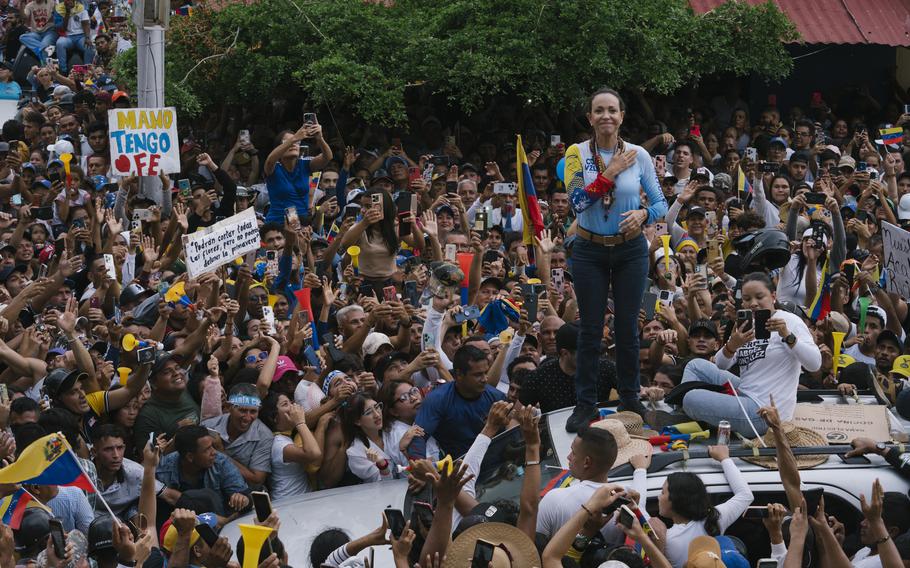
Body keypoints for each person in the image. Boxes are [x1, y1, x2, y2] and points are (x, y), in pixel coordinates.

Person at [563, 87, 668, 430]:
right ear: (590, 117)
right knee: (590, 329)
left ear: (622, 116)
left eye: (612, 110)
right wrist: (610, 172)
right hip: (590, 249)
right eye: (599, 110)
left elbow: (660, 203)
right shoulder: (576, 154)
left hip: (630, 249)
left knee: (627, 328)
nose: (606, 116)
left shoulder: (638, 155)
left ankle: (629, 397)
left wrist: (644, 214)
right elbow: (577, 202)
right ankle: (585, 403)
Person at [681, 272, 821, 435]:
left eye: (759, 297)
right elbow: (720, 365)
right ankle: (690, 411)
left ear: (773, 296)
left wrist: (787, 336)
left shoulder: (790, 321)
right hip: (745, 393)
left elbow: (815, 364)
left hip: (764, 414)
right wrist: (732, 345)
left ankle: (686, 414)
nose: (753, 303)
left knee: (691, 398)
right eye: (747, 299)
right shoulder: (747, 325)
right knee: (695, 365)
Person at [654, 445, 753, 567]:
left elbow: (636, 521)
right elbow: (745, 495)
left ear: (675, 500)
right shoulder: (714, 519)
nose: (658, 497)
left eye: (663, 492)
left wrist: (640, 471)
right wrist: (724, 458)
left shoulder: (666, 539)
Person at [407, 345, 505, 459]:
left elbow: (513, 426)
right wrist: (421, 465)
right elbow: (417, 437)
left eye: (485, 373)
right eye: (478, 375)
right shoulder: (437, 400)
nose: (485, 379)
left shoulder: (496, 397)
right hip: (457, 468)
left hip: (496, 462)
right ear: (459, 374)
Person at [155, 425, 252, 517]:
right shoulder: (164, 468)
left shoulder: (220, 462)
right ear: (190, 457)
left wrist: (243, 499)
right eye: (207, 449)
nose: (214, 452)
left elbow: (246, 497)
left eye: (212, 446)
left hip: (218, 523)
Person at [263, 122, 333, 225]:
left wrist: (320, 138)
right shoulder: (273, 168)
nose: (294, 144)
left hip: (301, 225)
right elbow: (269, 160)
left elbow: (328, 157)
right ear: (279, 148)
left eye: (297, 142)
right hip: (277, 226)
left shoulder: (305, 165)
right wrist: (294, 138)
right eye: (287, 142)